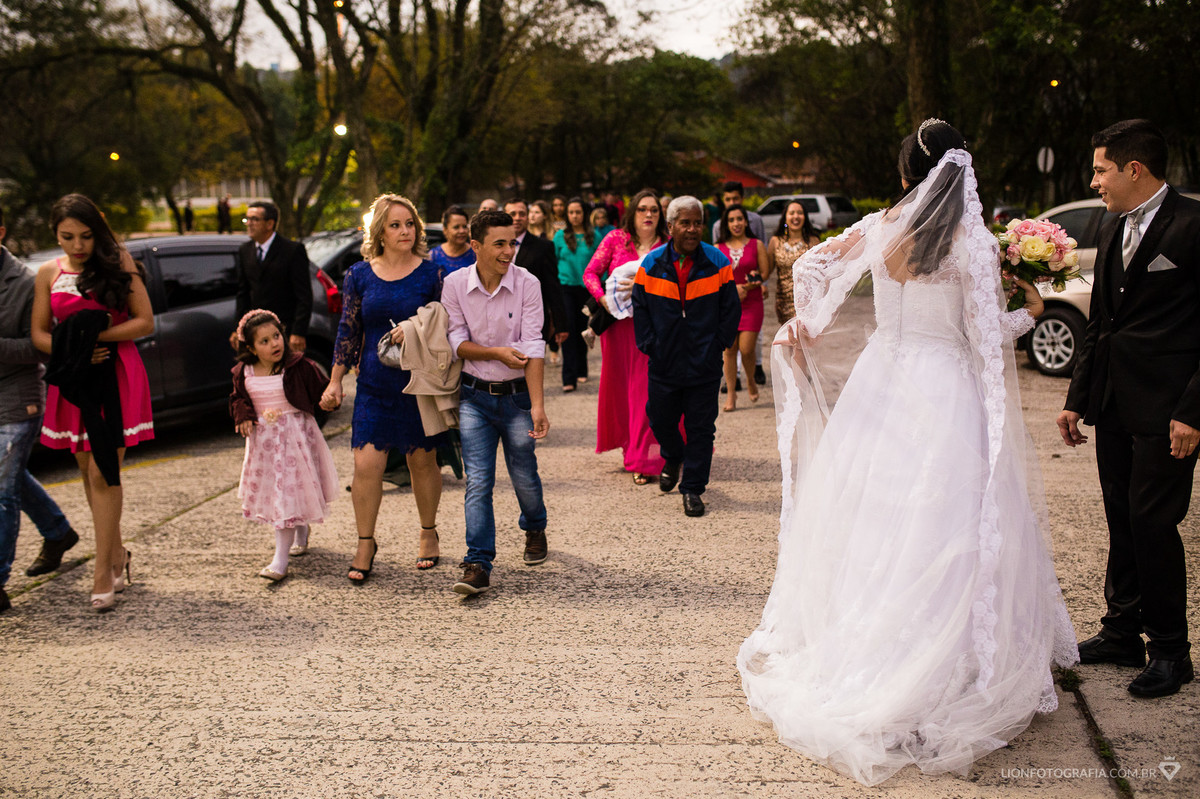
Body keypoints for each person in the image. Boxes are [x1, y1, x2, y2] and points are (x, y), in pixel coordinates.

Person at [737, 121, 1077, 785]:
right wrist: (1030, 311)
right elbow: (986, 341)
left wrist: (805, 324)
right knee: (945, 522)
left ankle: (861, 641)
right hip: (943, 387)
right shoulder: (971, 242)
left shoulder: (882, 225)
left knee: (873, 515)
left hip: (883, 378)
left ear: (905, 174)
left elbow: (810, 264)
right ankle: (949, 663)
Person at [1058, 119, 1200, 698]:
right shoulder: (1114, 227)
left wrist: (1194, 411)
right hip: (1114, 403)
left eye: (1101, 170)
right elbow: (1101, 324)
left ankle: (1171, 650)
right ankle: (1121, 632)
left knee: (1152, 522)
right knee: (1121, 516)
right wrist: (1076, 398)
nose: (1095, 181)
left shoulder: (1194, 225)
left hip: (1171, 410)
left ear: (1133, 169)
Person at [32, 194, 155, 612]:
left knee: (103, 470)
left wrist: (96, 339)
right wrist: (77, 350)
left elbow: (144, 321)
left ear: (97, 231)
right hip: (75, 378)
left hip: (117, 374)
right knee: (86, 469)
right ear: (56, 235)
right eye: (68, 237)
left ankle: (103, 571)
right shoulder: (47, 272)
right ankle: (118, 552)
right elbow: (39, 334)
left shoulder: (118, 262)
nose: (78, 245)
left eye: (86, 235)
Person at [321, 194, 447, 579]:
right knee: (366, 465)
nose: (405, 231)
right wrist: (335, 380)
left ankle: (429, 533)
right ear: (379, 231)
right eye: (395, 225)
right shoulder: (359, 274)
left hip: (417, 384)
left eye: (409, 224)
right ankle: (365, 542)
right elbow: (348, 329)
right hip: (374, 385)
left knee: (422, 461)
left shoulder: (431, 273)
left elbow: (443, 325)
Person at [441, 210, 550, 596]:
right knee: (479, 482)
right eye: (499, 244)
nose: (508, 251)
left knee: (524, 476)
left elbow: (534, 346)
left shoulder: (528, 284)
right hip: (474, 398)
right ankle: (477, 563)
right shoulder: (454, 284)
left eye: (512, 243)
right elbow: (457, 343)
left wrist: (537, 406)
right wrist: (496, 354)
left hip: (518, 397)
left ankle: (535, 525)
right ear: (476, 246)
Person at [631, 196, 740, 518]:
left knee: (701, 429)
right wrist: (650, 344)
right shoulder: (651, 264)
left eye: (697, 223)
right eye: (685, 223)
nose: (692, 229)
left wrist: (717, 344)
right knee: (660, 420)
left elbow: (730, 310)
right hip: (663, 362)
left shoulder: (717, 262)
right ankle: (672, 456)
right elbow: (640, 309)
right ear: (671, 226)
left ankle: (692, 488)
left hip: (704, 365)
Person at [0, 208, 78, 613]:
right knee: (10, 479)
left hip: (17, 397)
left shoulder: (26, 283)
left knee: (2, 491)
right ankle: (58, 531)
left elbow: (37, 345)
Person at [230, 310, 337, 582]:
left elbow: (323, 391)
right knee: (280, 494)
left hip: (295, 440)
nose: (274, 344)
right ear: (251, 348)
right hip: (264, 446)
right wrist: (243, 415)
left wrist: (329, 399)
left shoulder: (299, 365)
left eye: (276, 336)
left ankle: (280, 560)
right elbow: (238, 398)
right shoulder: (245, 371)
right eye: (264, 341)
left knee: (287, 492)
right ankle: (300, 528)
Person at [584, 189, 670, 485]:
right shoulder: (615, 240)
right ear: (632, 213)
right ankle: (634, 451)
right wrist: (601, 298)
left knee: (646, 392)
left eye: (654, 210)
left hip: (656, 327)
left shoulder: (668, 245)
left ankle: (648, 458)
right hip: (620, 330)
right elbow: (590, 273)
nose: (648, 215)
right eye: (643, 209)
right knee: (625, 393)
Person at [233, 201, 312, 354]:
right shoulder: (245, 250)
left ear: (270, 224)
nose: (249, 224)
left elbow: (304, 295)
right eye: (247, 219)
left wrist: (299, 331)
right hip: (256, 331)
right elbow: (243, 293)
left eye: (254, 219)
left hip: (284, 329)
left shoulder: (292, 250)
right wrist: (238, 328)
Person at [716, 204, 768, 411]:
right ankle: (731, 395)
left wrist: (754, 282)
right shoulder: (718, 248)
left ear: (746, 221)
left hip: (752, 303)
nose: (736, 223)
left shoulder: (757, 245)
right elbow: (714, 279)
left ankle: (750, 380)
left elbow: (765, 272)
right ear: (726, 224)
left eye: (739, 219)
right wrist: (732, 288)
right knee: (729, 350)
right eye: (731, 220)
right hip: (727, 305)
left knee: (746, 349)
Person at [505, 199, 568, 350]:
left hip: (531, 319)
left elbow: (552, 286)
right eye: (512, 214)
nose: (517, 218)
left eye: (522, 214)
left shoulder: (543, 247)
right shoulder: (492, 245)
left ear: (527, 217)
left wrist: (560, 324)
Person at [553, 197, 600, 392]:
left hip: (587, 289)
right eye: (571, 212)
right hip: (566, 288)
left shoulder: (595, 236)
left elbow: (600, 262)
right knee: (569, 330)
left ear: (584, 214)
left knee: (583, 329)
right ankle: (568, 377)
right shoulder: (559, 236)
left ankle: (582, 369)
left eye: (578, 212)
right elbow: (554, 261)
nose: (574, 216)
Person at [766, 199, 821, 324]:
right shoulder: (775, 241)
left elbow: (821, 273)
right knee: (790, 339)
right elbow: (767, 270)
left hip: (808, 300)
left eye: (800, 213)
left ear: (805, 217)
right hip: (784, 300)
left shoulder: (814, 241)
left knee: (805, 340)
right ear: (785, 218)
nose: (796, 216)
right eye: (792, 213)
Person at [429, 206, 476, 275]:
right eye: (456, 227)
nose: (462, 231)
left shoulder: (476, 254)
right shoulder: (433, 256)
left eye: (464, 226)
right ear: (445, 230)